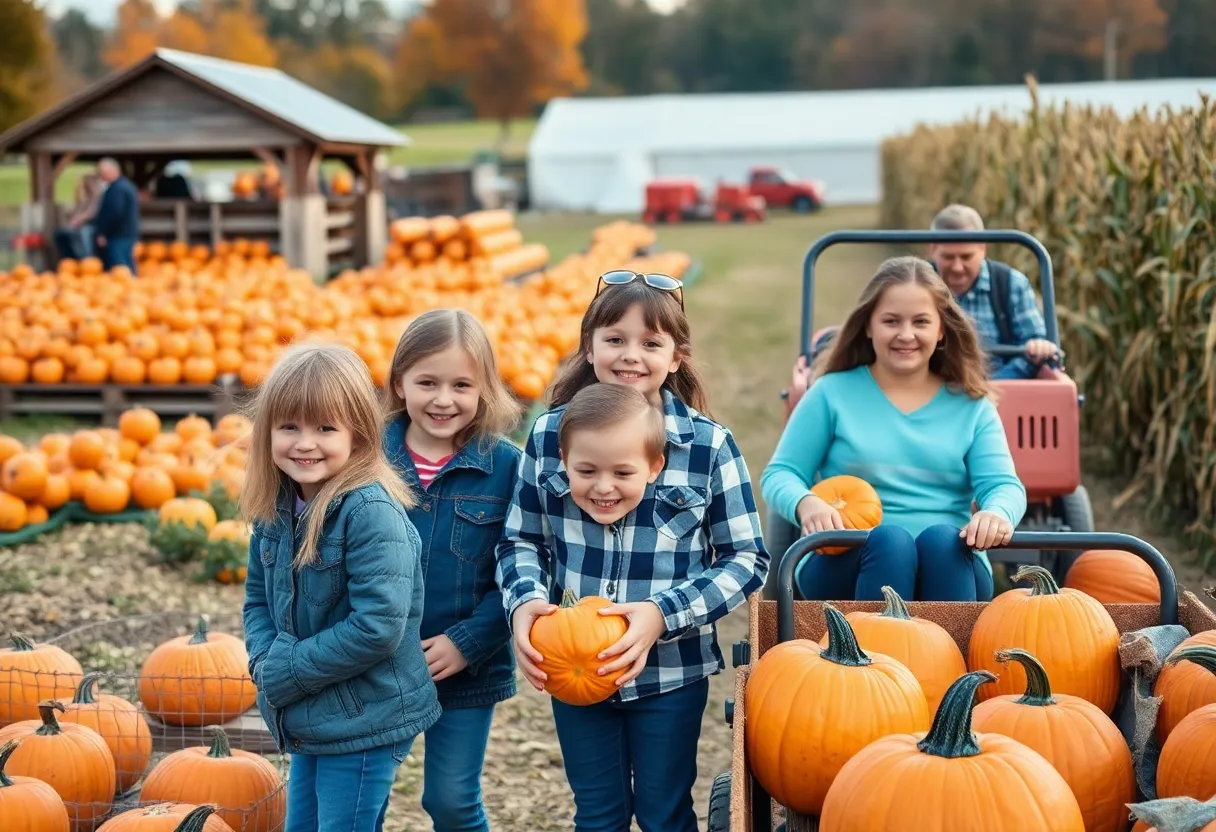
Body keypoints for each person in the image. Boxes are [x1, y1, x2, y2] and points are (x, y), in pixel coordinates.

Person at [497, 270, 770, 832]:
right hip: (572, 668)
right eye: (614, 339)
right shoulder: (549, 436)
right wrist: (524, 603)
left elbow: (746, 559)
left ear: (676, 357)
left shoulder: (708, 447)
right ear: (589, 346)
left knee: (665, 812)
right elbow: (522, 539)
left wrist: (660, 615)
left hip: (672, 672)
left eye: (650, 343)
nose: (630, 355)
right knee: (597, 814)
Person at [240, 342, 441, 832]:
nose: (305, 443)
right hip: (311, 710)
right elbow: (256, 599)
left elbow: (378, 627)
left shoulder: (370, 514)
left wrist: (288, 672)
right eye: (289, 427)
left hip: (364, 716)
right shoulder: (277, 508)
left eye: (325, 428)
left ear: (358, 435)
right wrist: (264, 661)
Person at [759, 256, 1027, 604]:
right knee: (891, 542)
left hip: (949, 560)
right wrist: (807, 503)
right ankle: (872, 653)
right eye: (891, 321)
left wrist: (996, 513)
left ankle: (949, 652)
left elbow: (1003, 485)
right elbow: (782, 473)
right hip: (847, 556)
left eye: (920, 322)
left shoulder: (972, 406)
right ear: (868, 325)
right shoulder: (831, 393)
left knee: (942, 542)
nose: (906, 335)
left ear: (941, 329)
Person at [381, 308, 522, 832]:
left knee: (451, 801)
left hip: (465, 666)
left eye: (462, 384)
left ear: (484, 387)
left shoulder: (508, 467)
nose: (444, 399)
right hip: (377, 666)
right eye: (427, 382)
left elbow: (523, 567)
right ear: (399, 383)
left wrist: (468, 640)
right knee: (361, 796)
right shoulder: (365, 460)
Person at [928, 203, 1058, 379]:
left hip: (1002, 389)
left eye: (966, 257)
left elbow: (1035, 344)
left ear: (983, 249)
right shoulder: (918, 285)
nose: (957, 267)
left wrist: (992, 387)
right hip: (933, 389)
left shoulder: (1011, 284)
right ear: (933, 250)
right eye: (948, 257)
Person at [92, 157, 140, 272]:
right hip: (126, 233)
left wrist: (104, 233)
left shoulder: (117, 189)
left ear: (113, 171)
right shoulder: (125, 186)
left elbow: (114, 212)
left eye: (102, 173)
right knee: (127, 267)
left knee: (120, 269)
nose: (101, 176)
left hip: (118, 236)